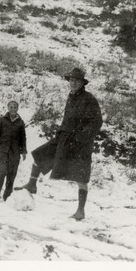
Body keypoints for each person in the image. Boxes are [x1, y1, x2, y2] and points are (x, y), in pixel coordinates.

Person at [15, 68, 102, 220]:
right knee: (40, 155)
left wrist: (80, 138)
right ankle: (32, 185)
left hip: (80, 143)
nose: (73, 83)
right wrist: (61, 131)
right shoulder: (71, 96)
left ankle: (80, 211)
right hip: (63, 137)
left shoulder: (89, 99)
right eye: (71, 80)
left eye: (76, 80)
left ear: (82, 83)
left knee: (81, 177)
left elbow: (96, 122)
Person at [0, 101, 27, 202]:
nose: (13, 109)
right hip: (2, 151)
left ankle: (7, 197)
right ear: (8, 108)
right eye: (11, 107)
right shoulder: (2, 120)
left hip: (14, 153)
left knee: (12, 174)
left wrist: (23, 151)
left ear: (17, 108)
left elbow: (23, 138)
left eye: (15, 107)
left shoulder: (20, 122)